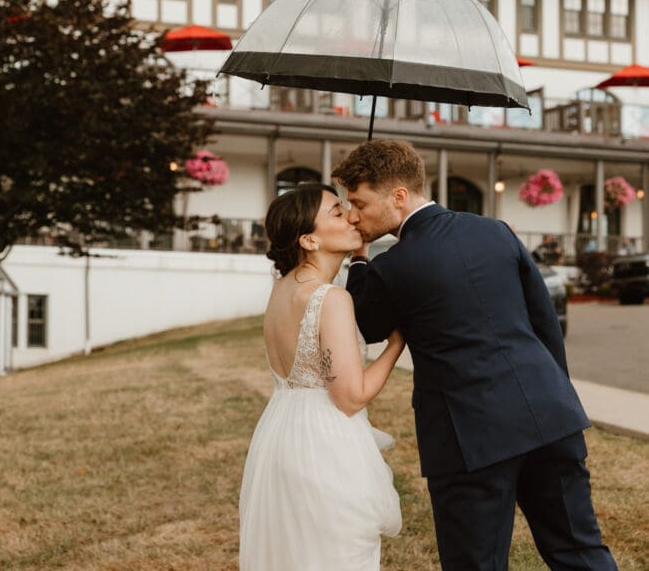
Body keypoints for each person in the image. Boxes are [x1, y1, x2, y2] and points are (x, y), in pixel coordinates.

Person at [333, 140, 618, 571]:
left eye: (358, 202)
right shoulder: (495, 231)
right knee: (580, 551)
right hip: (549, 414)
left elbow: (370, 326)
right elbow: (544, 322)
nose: (353, 214)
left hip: (469, 437)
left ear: (398, 196)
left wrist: (357, 261)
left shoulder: (392, 267)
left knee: (475, 562)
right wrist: (555, 394)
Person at [239, 183, 403, 571]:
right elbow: (351, 396)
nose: (350, 215)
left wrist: (359, 256)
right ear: (309, 239)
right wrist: (399, 341)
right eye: (335, 212)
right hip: (323, 445)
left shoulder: (282, 290)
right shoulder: (330, 299)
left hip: (280, 435)